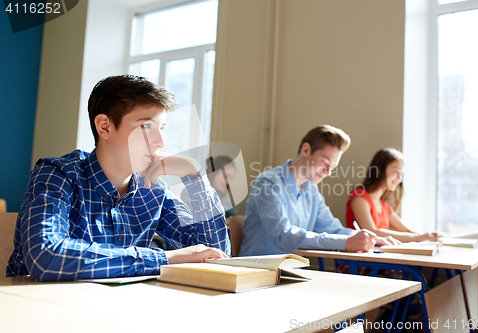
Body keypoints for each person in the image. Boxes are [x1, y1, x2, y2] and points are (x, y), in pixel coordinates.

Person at [6, 75, 229, 281]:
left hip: (113, 311)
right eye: (146, 126)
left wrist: (196, 176)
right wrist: (165, 259)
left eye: (162, 128)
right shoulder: (56, 174)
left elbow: (214, 253)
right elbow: (46, 257)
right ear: (105, 126)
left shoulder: (153, 188)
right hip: (38, 310)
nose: (161, 142)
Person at [239, 125, 396, 257]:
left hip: (289, 273)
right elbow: (282, 235)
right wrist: (346, 243)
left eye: (332, 167)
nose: (327, 172)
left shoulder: (311, 191)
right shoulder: (268, 183)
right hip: (256, 273)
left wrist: (367, 238)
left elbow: (333, 228)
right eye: (325, 162)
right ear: (306, 150)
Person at [346, 148, 439, 242]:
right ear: (379, 170)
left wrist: (429, 236)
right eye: (396, 172)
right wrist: (417, 238)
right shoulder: (359, 197)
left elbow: (407, 230)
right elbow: (372, 232)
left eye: (401, 174)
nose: (400, 178)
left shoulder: (384, 206)